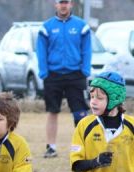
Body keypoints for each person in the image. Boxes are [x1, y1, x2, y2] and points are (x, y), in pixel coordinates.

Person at [37, 0, 91, 158]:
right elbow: (41, 51)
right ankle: (51, 147)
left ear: (71, 4)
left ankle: (84, 147)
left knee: (80, 112)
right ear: (56, 4)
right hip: (53, 75)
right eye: (61, 2)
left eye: (66, 2)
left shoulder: (82, 26)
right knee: (53, 111)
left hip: (75, 75)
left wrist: (85, 70)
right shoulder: (46, 28)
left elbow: (86, 50)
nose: (63, 5)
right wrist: (44, 72)